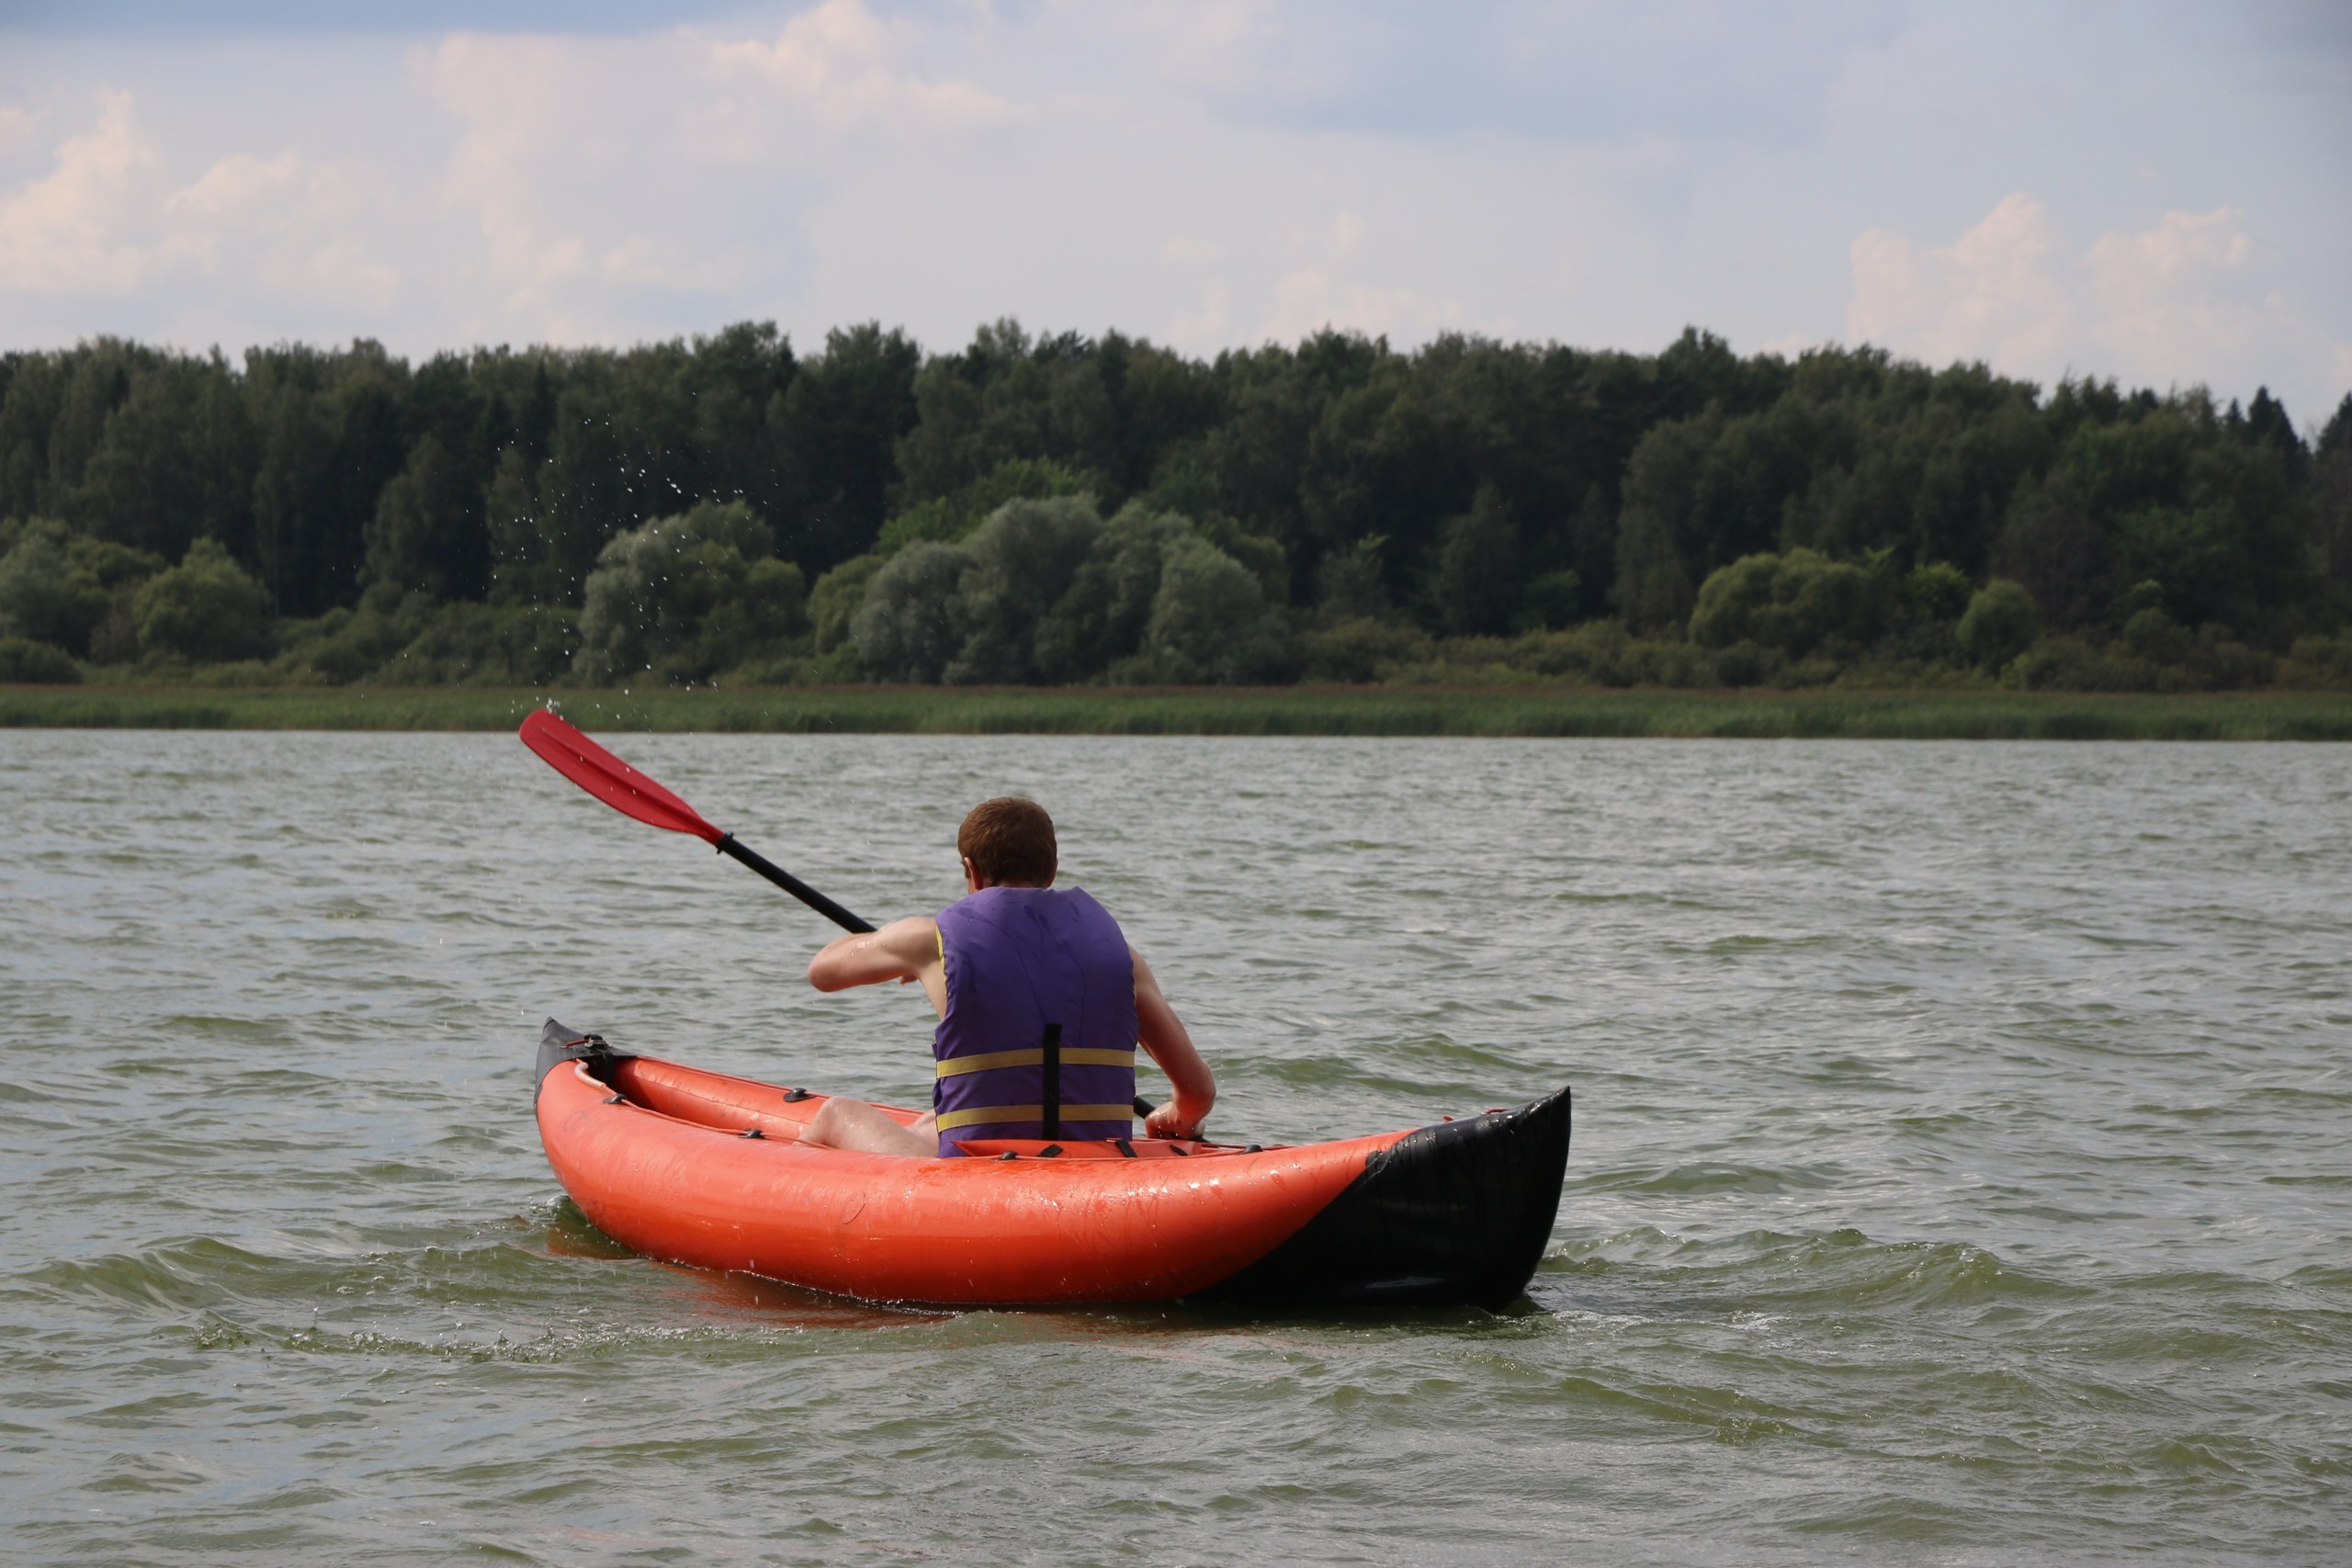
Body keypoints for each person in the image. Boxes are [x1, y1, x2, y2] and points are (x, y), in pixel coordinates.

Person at [800, 796, 1216, 1156]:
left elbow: (824, 971)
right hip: (1096, 1165)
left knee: (837, 1113)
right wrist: (1175, 1115)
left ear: (972, 871)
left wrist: (906, 953)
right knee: (931, 1123)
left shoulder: (929, 942)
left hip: (984, 1172)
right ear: (1052, 871)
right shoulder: (1122, 957)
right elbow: (1198, 1093)